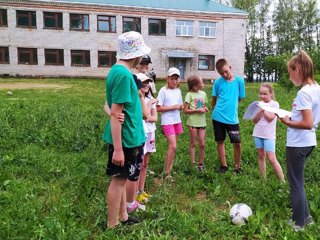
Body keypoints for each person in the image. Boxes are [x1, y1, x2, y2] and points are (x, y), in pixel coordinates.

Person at [102, 31, 150, 229]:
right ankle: (112, 226)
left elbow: (114, 108)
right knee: (119, 180)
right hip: (126, 139)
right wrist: (119, 149)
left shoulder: (118, 71)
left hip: (130, 135)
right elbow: (115, 113)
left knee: (121, 180)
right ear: (136, 54)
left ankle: (123, 217)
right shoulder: (122, 75)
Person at [279, 50, 320, 231]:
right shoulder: (317, 88)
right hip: (309, 142)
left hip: (298, 143)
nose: (290, 77)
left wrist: (288, 121)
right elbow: (310, 118)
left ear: (298, 69)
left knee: (296, 184)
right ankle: (306, 217)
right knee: (299, 181)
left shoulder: (304, 92)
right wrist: (293, 116)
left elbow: (307, 122)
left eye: (290, 72)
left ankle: (299, 224)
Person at [211, 58, 245, 173]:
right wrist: (215, 111)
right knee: (220, 141)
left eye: (226, 71)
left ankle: (237, 166)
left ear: (230, 67)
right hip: (218, 118)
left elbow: (240, 98)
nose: (225, 75)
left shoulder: (240, 82)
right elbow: (214, 100)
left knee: (237, 143)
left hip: (232, 120)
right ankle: (223, 165)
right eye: (221, 73)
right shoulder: (217, 83)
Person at [252, 83, 284, 182]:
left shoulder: (275, 104)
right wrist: (259, 110)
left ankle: (282, 181)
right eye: (261, 94)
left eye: (265, 94)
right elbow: (254, 120)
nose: (262, 96)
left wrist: (263, 109)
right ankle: (263, 179)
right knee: (261, 156)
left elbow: (270, 118)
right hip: (258, 133)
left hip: (269, 135)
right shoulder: (259, 104)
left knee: (271, 158)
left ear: (271, 94)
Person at [157, 67, 183, 181]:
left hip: (177, 121)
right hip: (167, 122)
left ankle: (168, 170)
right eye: (172, 79)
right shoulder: (163, 91)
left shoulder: (178, 91)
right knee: (173, 146)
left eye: (176, 79)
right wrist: (173, 107)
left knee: (173, 148)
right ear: (167, 79)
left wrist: (182, 107)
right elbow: (158, 108)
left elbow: (180, 105)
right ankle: (166, 173)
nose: (174, 81)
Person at [136, 73, 158, 203]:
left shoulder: (150, 98)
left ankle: (141, 190)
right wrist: (149, 104)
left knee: (145, 164)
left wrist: (148, 113)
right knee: (138, 163)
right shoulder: (138, 99)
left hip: (150, 133)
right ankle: (134, 192)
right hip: (141, 133)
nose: (146, 84)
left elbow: (154, 118)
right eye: (143, 81)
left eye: (148, 82)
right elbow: (143, 116)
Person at [183, 75, 208, 171]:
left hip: (202, 123)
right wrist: (198, 111)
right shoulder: (189, 95)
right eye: (201, 82)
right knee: (193, 143)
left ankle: (201, 163)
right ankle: (193, 163)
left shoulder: (203, 94)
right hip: (193, 123)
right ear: (194, 86)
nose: (203, 84)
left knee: (202, 144)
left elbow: (203, 107)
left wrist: (205, 109)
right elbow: (185, 110)